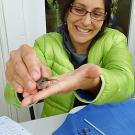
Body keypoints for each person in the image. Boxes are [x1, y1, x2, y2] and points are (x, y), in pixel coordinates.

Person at [5, 0, 134, 117]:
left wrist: (92, 82)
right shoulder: (46, 44)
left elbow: (126, 83)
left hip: (100, 124)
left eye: (96, 14)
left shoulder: (114, 40)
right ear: (67, 11)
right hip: (56, 126)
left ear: (104, 18)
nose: (86, 21)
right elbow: (10, 95)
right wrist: (25, 79)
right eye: (79, 9)